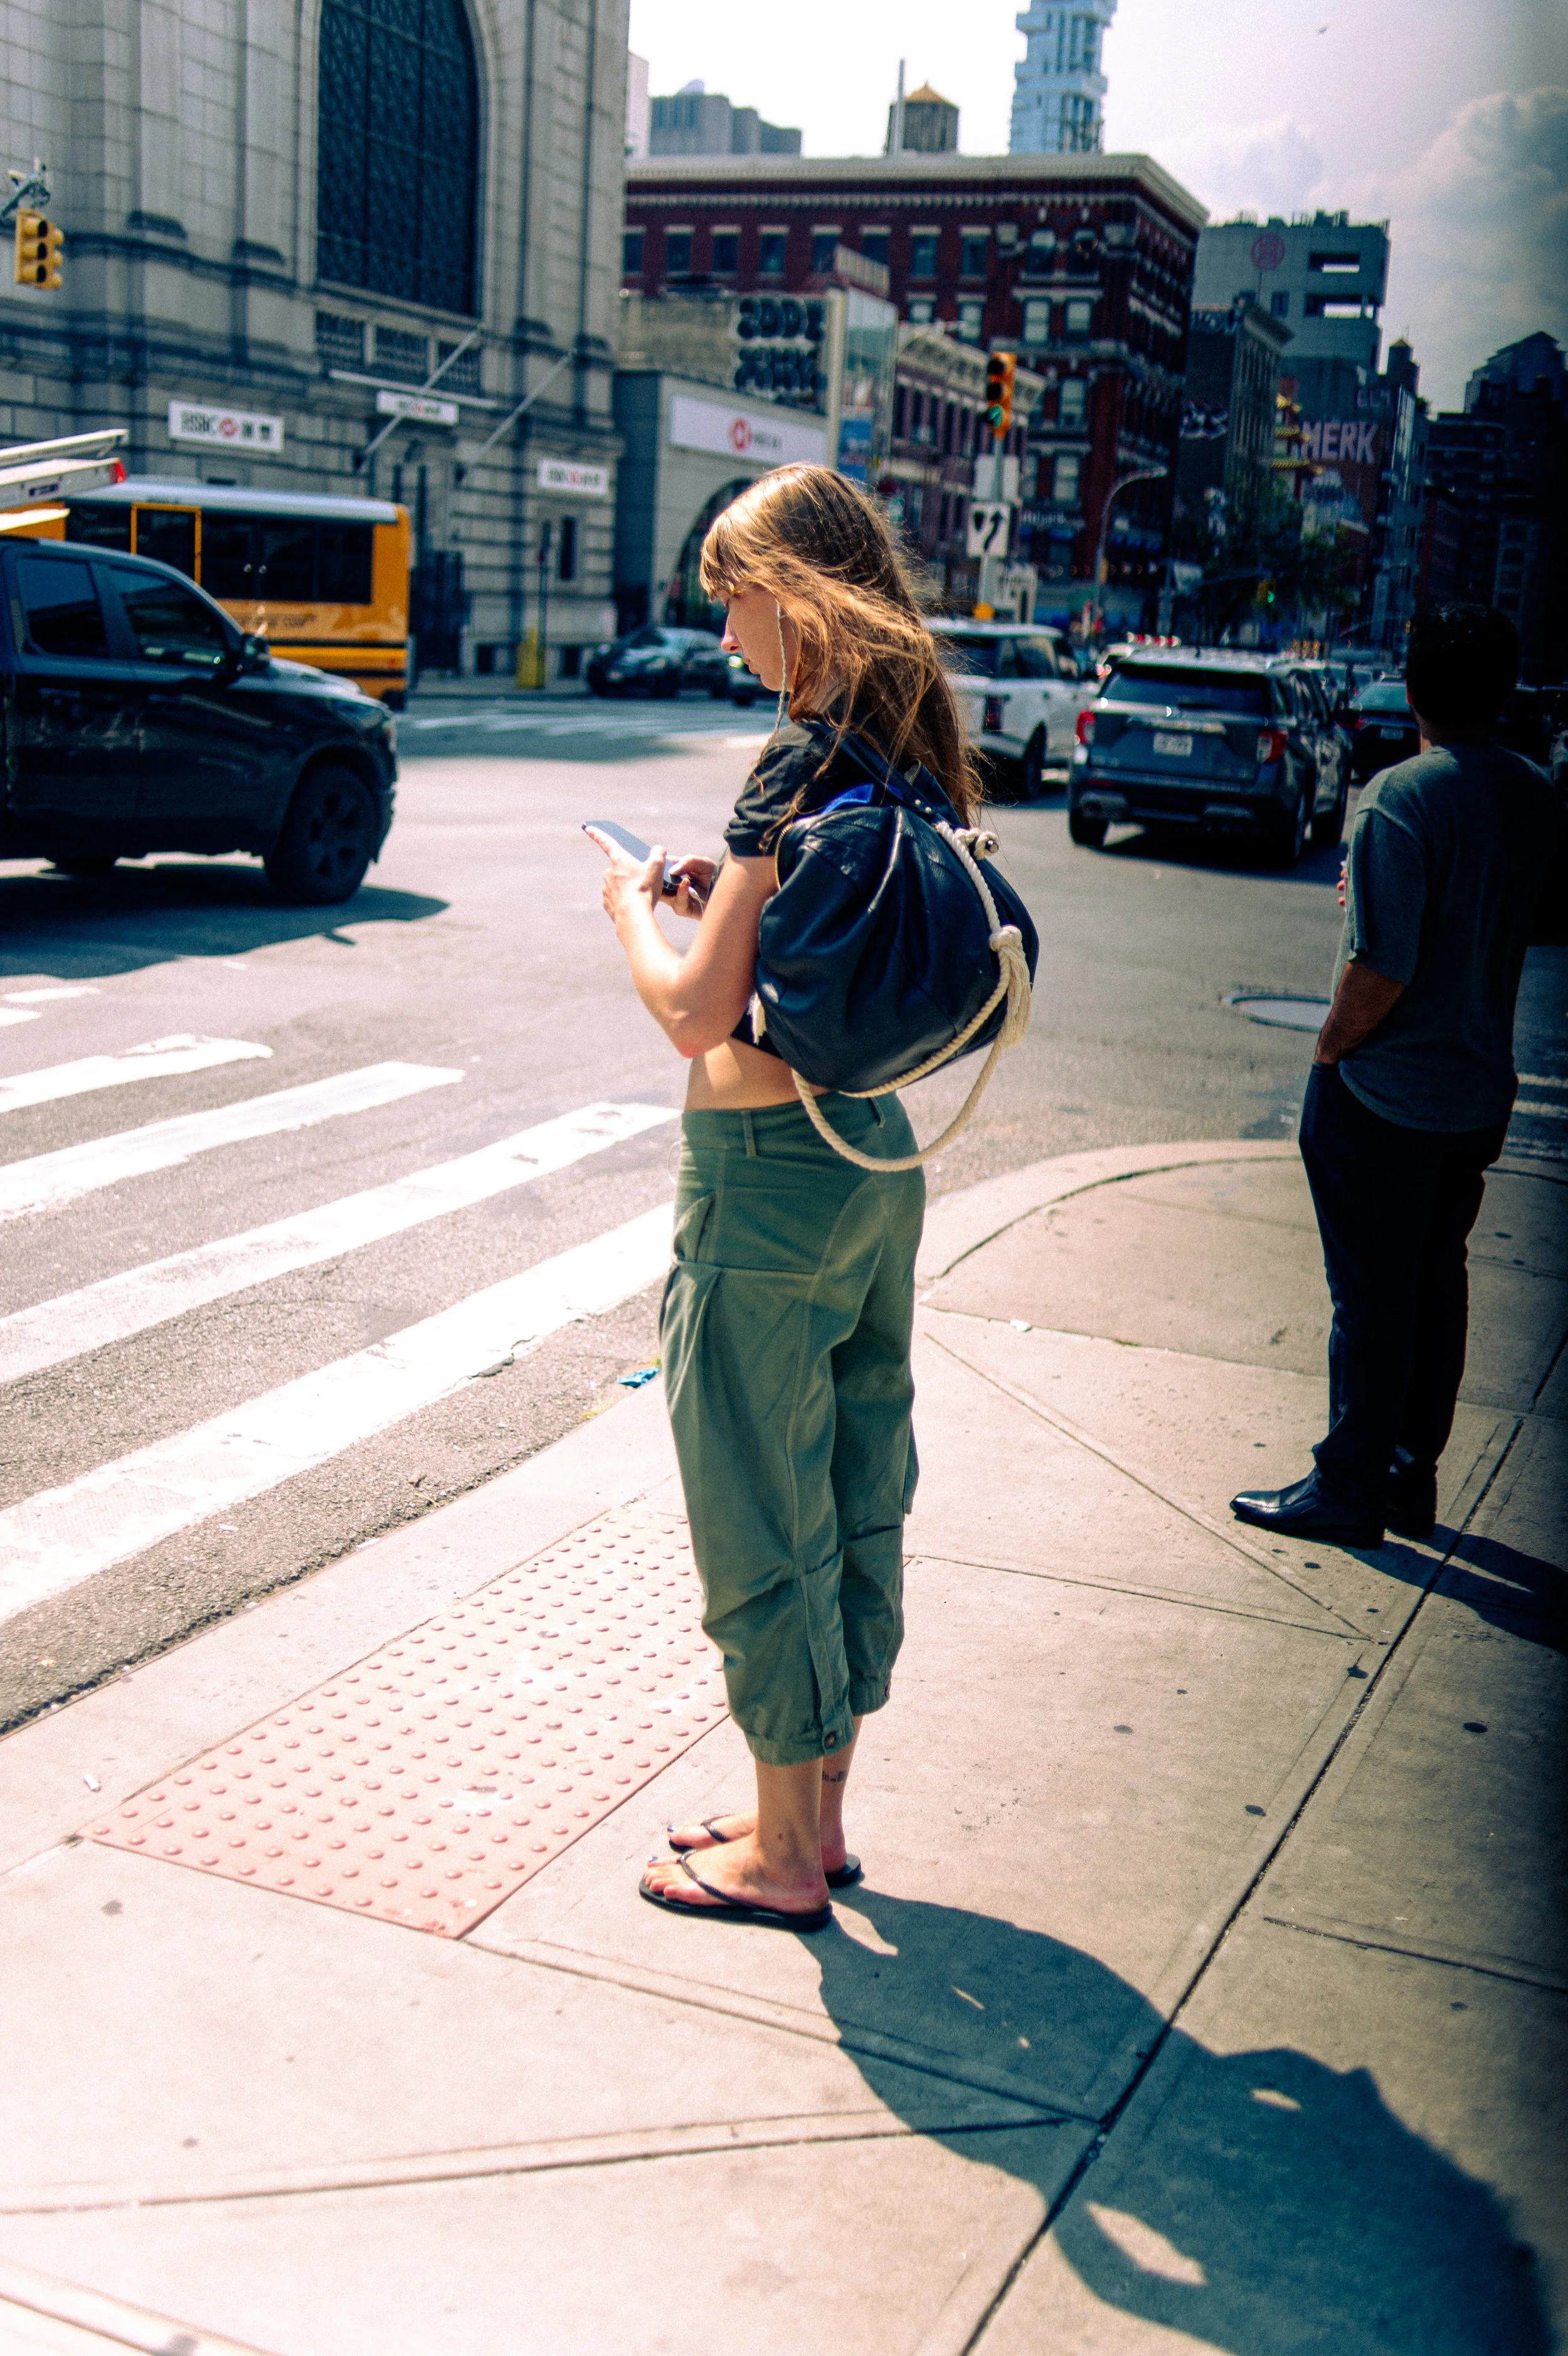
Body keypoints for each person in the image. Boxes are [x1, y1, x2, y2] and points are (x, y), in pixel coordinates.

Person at [588, 464, 982, 1928]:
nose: (723, 633)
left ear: (793, 594)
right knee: (855, 1491)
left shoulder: (794, 755)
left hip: (763, 1187)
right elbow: (812, 958)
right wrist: (733, 903)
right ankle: (811, 1815)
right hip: (873, 1165)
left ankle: (777, 1862)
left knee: (759, 1506)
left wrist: (636, 915)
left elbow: (695, 1015)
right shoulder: (901, 747)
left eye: (732, 597)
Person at [1231, 603, 1563, 1548]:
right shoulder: (1533, 793)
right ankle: (1409, 1479)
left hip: (1384, 1096)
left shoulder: (1398, 798)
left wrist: (1330, 1048)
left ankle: (1347, 1487)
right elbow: (1534, 915)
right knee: (1436, 1285)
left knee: (1371, 1301)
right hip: (1476, 1091)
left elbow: (1380, 968)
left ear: (1411, 688)